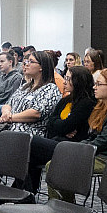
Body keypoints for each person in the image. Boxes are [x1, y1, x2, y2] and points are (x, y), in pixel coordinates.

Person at [48, 69, 107, 201]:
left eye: (98, 84)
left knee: (58, 165)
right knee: (57, 163)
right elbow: (92, 137)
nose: (94, 87)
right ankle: (65, 207)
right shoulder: (103, 107)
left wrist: (75, 149)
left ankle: (62, 210)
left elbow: (102, 141)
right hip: (98, 153)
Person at [24, 65, 96, 193]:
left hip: (72, 147)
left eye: (68, 79)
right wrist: (62, 126)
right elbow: (51, 122)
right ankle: (26, 192)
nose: (64, 81)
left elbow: (63, 125)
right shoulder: (67, 99)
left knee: (31, 142)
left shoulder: (87, 103)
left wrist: (61, 125)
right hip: (58, 141)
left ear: (78, 82)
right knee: (30, 155)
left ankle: (25, 192)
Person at [0, 50, 62, 138]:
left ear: (41, 67)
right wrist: (6, 113)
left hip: (29, 133)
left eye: (31, 61)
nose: (26, 64)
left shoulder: (51, 89)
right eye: (26, 61)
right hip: (9, 127)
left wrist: (10, 118)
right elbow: (8, 104)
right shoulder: (25, 86)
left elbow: (35, 113)